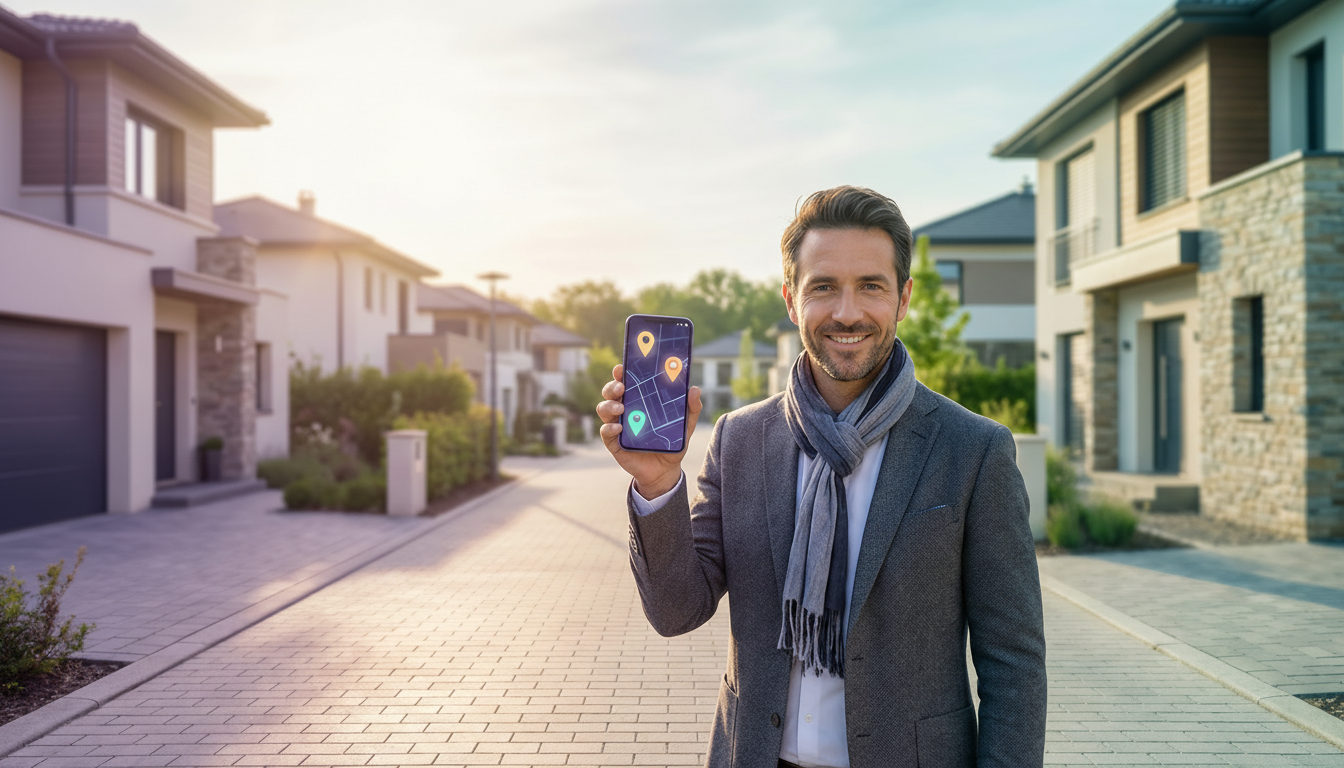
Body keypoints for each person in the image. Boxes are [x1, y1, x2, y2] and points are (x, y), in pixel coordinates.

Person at [596, 186, 1046, 768]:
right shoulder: (739, 440)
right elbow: (677, 611)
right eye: (824, 287)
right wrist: (658, 485)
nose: (847, 312)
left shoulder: (974, 451)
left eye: (871, 287)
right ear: (791, 299)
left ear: (904, 297)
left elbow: (1014, 663)